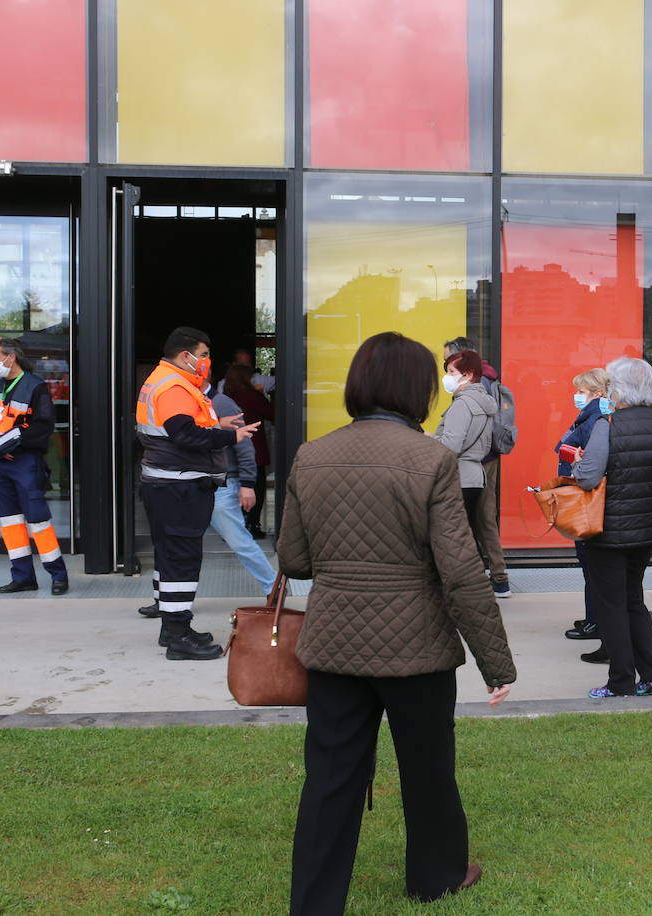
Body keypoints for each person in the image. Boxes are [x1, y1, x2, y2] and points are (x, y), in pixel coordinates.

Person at [278, 331, 515, 915]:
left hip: (334, 642)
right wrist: (496, 662)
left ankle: (314, 901)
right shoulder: (432, 458)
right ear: (420, 391)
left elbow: (294, 559)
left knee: (330, 778)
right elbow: (461, 571)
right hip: (418, 647)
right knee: (428, 770)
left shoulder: (312, 454)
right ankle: (436, 877)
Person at [135, 327, 258, 661]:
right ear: (185, 355)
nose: (206, 361)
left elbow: (178, 428)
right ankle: (178, 637)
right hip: (178, 486)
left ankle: (173, 628)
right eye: (203, 354)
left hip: (167, 484)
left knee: (171, 555)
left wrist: (219, 427)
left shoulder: (165, 380)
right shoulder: (174, 386)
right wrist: (231, 438)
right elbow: (184, 434)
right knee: (181, 560)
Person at [571, 357, 652, 698]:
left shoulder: (608, 424)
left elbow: (588, 476)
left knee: (611, 606)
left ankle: (620, 682)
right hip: (645, 527)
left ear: (619, 389)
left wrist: (580, 462)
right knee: (633, 601)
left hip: (610, 528)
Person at [0, 338, 69, 596]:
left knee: (38, 521)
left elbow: (43, 425)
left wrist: (12, 446)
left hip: (24, 462)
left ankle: (58, 576)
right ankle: (22, 577)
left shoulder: (35, 386)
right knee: (10, 521)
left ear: (12, 357)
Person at [444, 337, 511, 598]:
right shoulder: (488, 379)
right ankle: (497, 577)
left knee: (477, 520)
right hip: (487, 455)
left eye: (448, 361)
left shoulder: (473, 383)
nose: (446, 367)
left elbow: (458, 438)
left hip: (476, 461)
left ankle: (494, 578)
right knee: (483, 517)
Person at [555, 368, 613, 663]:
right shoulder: (591, 418)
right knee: (589, 564)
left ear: (597, 394)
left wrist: (574, 459)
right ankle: (593, 618)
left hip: (585, 494)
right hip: (581, 491)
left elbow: (589, 463)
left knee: (591, 564)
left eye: (581, 391)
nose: (576, 396)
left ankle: (596, 622)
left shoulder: (594, 421)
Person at [433, 350, 497, 533]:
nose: (447, 377)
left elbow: (451, 446)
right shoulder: (484, 402)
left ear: (467, 375)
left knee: (455, 534)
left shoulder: (462, 404)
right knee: (467, 532)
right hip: (475, 475)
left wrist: (428, 438)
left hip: (458, 477)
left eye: (451, 372)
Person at [223, 364, 275, 539]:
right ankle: (253, 524)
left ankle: (232, 527)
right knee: (255, 488)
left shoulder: (225, 399)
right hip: (254, 450)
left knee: (230, 489)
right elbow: (273, 414)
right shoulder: (253, 396)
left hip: (228, 452)